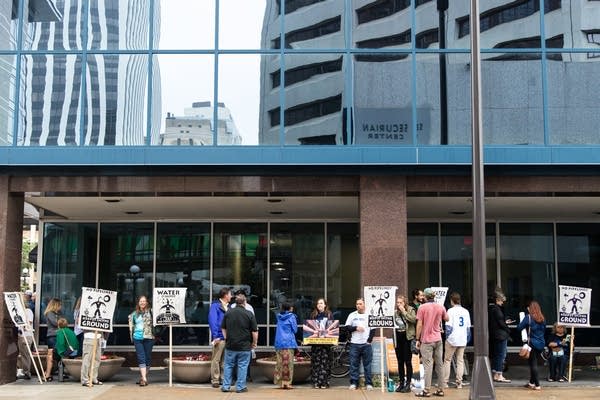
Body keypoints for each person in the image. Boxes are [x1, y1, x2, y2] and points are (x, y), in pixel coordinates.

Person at [220, 292, 258, 393]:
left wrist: (226, 338)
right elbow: (254, 331)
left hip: (230, 344)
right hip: (245, 346)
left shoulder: (228, 312)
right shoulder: (249, 314)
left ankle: (226, 386)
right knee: (242, 366)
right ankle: (240, 387)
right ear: (244, 302)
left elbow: (223, 327)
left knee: (228, 365)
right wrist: (254, 343)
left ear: (235, 302)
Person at [414, 287, 449, 397]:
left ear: (425, 296)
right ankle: (440, 389)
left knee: (428, 365)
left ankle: (427, 390)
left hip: (427, 340)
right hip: (438, 339)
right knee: (439, 364)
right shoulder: (440, 307)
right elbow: (447, 318)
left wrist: (417, 339)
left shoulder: (422, 308)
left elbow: (419, 324)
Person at [442, 292, 471, 389]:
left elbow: (448, 327)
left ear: (451, 300)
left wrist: (447, 338)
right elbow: (468, 329)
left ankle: (445, 382)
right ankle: (459, 382)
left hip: (452, 339)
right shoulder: (466, 311)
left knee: (447, 360)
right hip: (462, 339)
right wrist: (466, 339)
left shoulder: (450, 311)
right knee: (460, 361)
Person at [345, 297, 374, 391]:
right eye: (357, 304)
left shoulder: (370, 315)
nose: (358, 305)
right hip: (354, 344)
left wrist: (369, 340)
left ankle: (369, 383)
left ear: (364, 304)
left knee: (368, 365)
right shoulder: (352, 315)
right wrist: (355, 328)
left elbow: (373, 329)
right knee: (354, 365)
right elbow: (347, 327)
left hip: (366, 344)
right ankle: (354, 383)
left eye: (360, 304)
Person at [517, 300, 546, 391]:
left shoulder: (528, 318)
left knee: (533, 364)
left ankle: (537, 385)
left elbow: (519, 328)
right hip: (541, 343)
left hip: (532, 343)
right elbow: (544, 331)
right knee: (534, 362)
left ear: (530, 308)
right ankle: (531, 383)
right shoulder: (542, 318)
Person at [308, 298, 334, 389]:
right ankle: (316, 382)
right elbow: (310, 328)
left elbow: (331, 328)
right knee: (316, 363)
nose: (319, 305)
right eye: (318, 303)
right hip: (316, 344)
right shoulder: (313, 315)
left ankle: (324, 382)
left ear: (325, 305)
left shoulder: (329, 314)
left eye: (321, 303)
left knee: (325, 363)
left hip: (326, 344)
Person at [128, 295, 154, 387]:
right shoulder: (134, 314)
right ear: (138, 303)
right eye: (140, 301)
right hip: (137, 338)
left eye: (144, 301)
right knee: (141, 357)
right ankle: (144, 379)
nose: (142, 303)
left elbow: (158, 321)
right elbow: (132, 324)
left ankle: (143, 377)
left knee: (148, 358)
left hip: (149, 337)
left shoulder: (151, 312)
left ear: (146, 302)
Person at [209, 287, 231, 388]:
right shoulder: (215, 306)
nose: (231, 296)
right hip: (219, 337)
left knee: (225, 360)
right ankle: (215, 380)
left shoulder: (229, 307)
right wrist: (215, 336)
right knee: (216, 359)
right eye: (230, 294)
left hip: (227, 338)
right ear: (225, 295)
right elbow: (213, 321)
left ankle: (223, 378)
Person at [394, 294, 416, 393]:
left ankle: (408, 383)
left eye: (400, 302)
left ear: (405, 303)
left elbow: (413, 320)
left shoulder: (411, 309)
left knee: (407, 361)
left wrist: (403, 311)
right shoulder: (395, 312)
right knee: (400, 361)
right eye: (397, 303)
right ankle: (401, 382)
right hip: (398, 337)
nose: (399, 304)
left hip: (407, 337)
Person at [489, 289, 512, 383]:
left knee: (497, 354)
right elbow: (500, 323)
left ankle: (496, 373)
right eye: (501, 301)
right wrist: (507, 329)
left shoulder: (492, 309)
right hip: (500, 335)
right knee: (501, 355)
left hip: (495, 334)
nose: (502, 303)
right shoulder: (497, 309)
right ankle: (499, 374)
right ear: (497, 300)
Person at [274, 302, 298, 389]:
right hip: (288, 342)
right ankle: (287, 383)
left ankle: (280, 383)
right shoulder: (292, 317)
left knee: (280, 363)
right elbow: (295, 330)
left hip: (279, 342)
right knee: (289, 363)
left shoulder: (278, 316)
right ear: (290, 308)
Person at [16, 294, 34, 380]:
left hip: (26, 335)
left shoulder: (28, 311)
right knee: (21, 354)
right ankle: (21, 370)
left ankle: (27, 372)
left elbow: (29, 323)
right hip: (20, 335)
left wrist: (22, 327)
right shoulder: (19, 312)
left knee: (25, 354)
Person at [43, 298, 62, 381]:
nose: (61, 307)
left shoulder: (58, 314)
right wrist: (61, 322)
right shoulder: (50, 313)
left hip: (59, 336)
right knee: (51, 355)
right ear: (55, 305)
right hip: (52, 336)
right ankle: (47, 374)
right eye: (59, 305)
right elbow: (55, 323)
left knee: (57, 355)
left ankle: (48, 373)